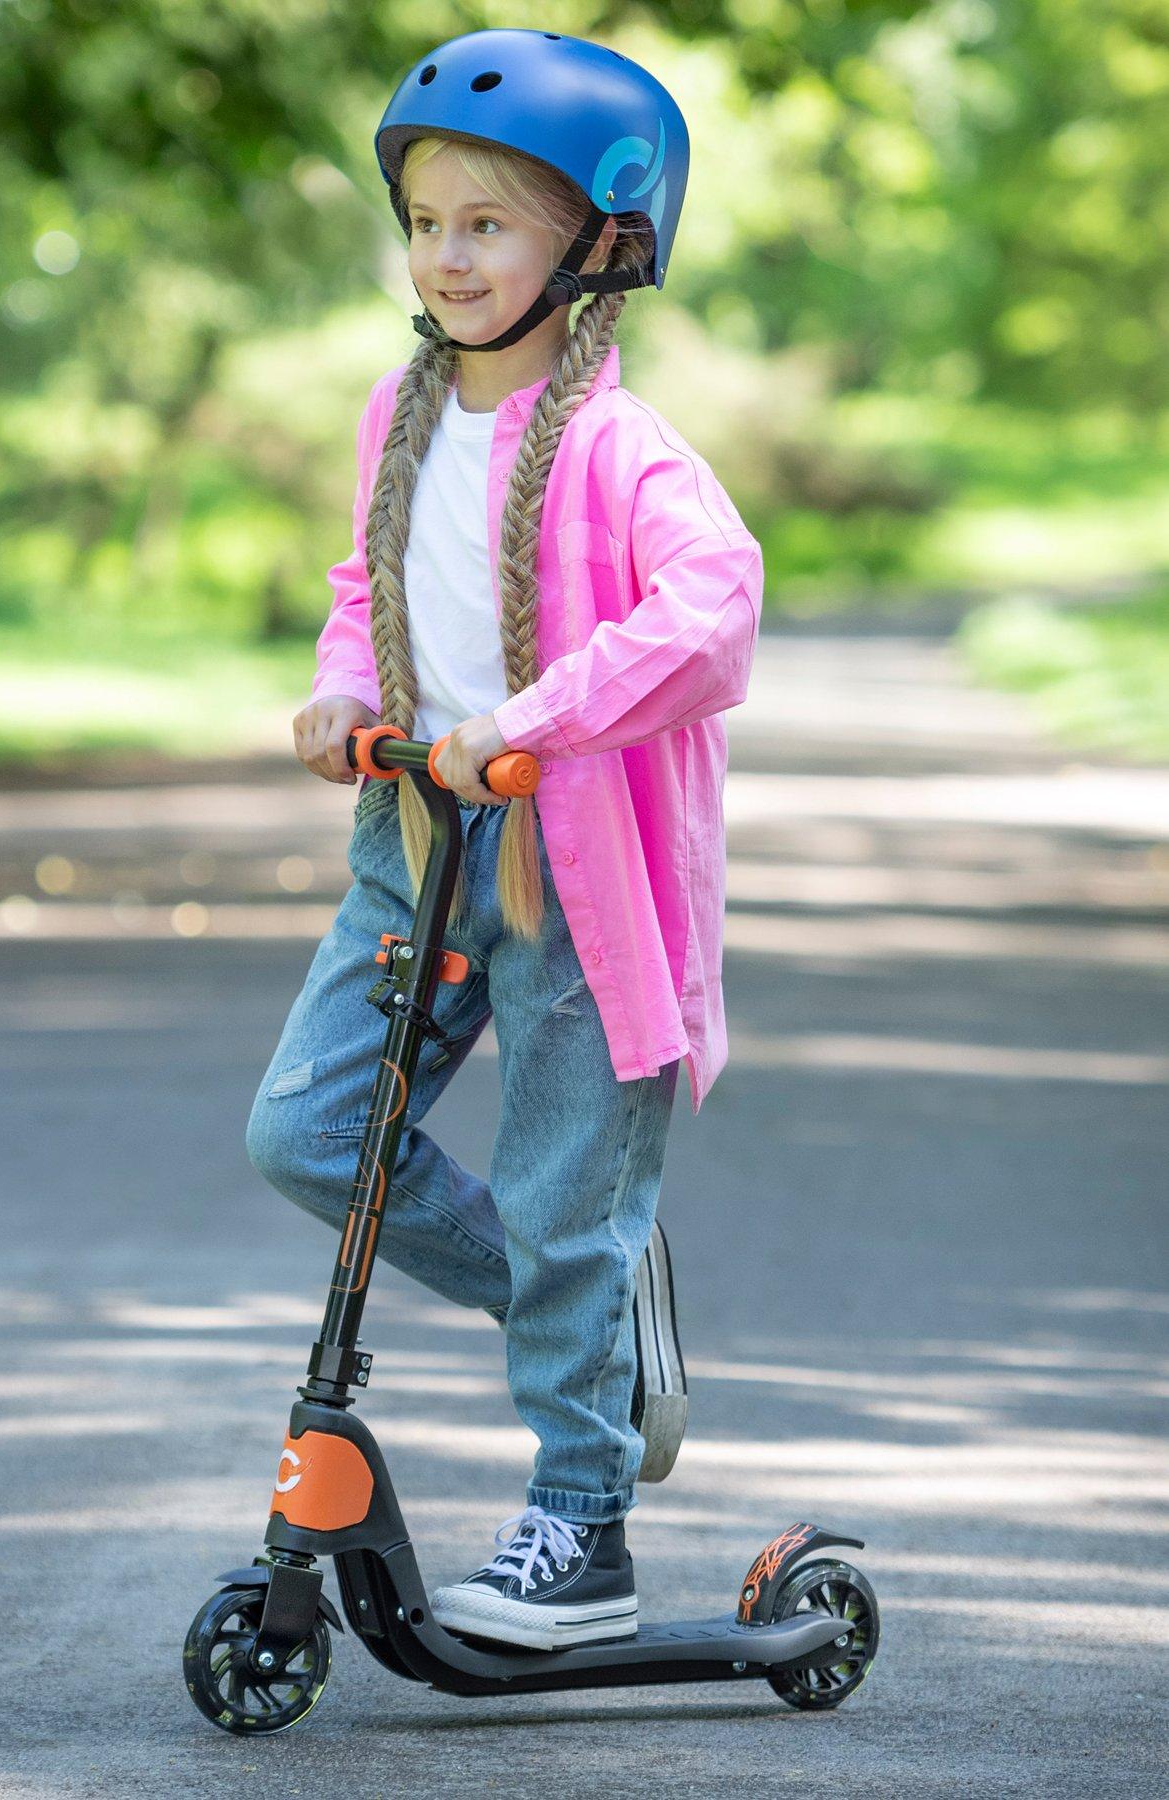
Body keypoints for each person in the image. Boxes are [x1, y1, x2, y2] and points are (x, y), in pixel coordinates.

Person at [245, 28, 763, 1653]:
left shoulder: (625, 449)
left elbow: (717, 611)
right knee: (306, 1136)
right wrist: (344, 694)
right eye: (424, 220)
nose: (445, 255)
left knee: (560, 1206)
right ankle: (595, 1301)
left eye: (487, 223)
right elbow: (369, 596)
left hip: (575, 880)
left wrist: (534, 718)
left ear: (593, 246)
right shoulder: (397, 425)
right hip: (418, 847)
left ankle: (582, 1534)